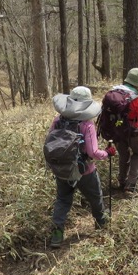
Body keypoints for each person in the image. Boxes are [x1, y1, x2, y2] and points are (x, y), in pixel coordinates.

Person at [48, 86, 117, 249]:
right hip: (84, 170)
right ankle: (102, 223)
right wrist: (107, 153)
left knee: (63, 200)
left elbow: (50, 143)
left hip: (62, 169)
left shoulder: (58, 120)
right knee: (95, 196)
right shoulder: (87, 124)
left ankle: (57, 234)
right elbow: (92, 152)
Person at [112, 68, 138, 194]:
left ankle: (122, 181)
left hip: (116, 130)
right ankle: (131, 185)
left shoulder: (114, 93)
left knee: (123, 155)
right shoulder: (137, 99)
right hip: (132, 132)